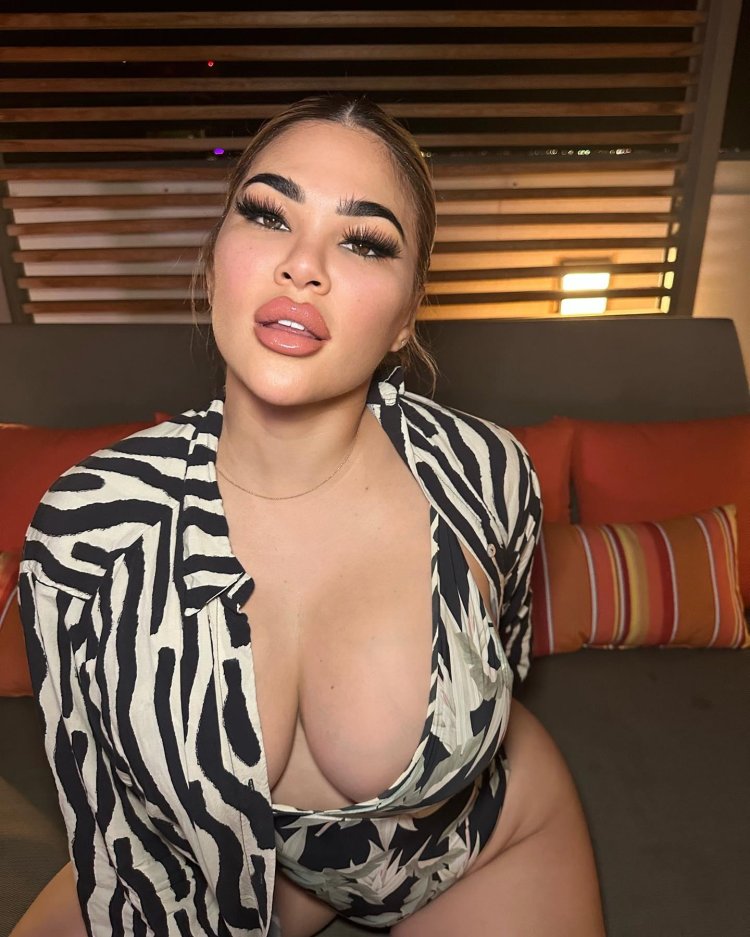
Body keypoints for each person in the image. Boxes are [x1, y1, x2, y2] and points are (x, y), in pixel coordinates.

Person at [15, 95, 605, 937]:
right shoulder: (88, 528)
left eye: (363, 241)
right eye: (267, 214)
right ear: (215, 261)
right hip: (223, 872)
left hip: (479, 846)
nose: (303, 265)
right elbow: (105, 807)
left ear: (406, 316)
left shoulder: (484, 470)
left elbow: (504, 648)